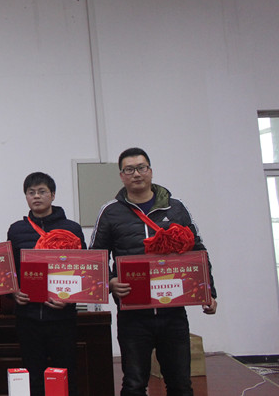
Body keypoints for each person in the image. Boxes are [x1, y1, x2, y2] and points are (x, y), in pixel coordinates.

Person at [90, 147, 217, 396]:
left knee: (181, 385)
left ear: (150, 170)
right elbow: (96, 257)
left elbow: (198, 251)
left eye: (141, 167)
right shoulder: (110, 212)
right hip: (133, 316)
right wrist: (110, 282)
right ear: (121, 176)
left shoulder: (176, 208)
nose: (136, 174)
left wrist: (209, 292)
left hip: (173, 313)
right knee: (134, 384)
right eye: (129, 169)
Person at [7, 172, 86, 396]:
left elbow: (85, 271)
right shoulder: (16, 230)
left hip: (62, 317)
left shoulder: (72, 228)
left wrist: (69, 299)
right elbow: (9, 270)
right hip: (28, 316)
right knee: (33, 374)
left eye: (42, 191)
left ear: (52, 195)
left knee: (65, 372)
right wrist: (14, 292)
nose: (36, 196)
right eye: (31, 192)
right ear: (26, 197)